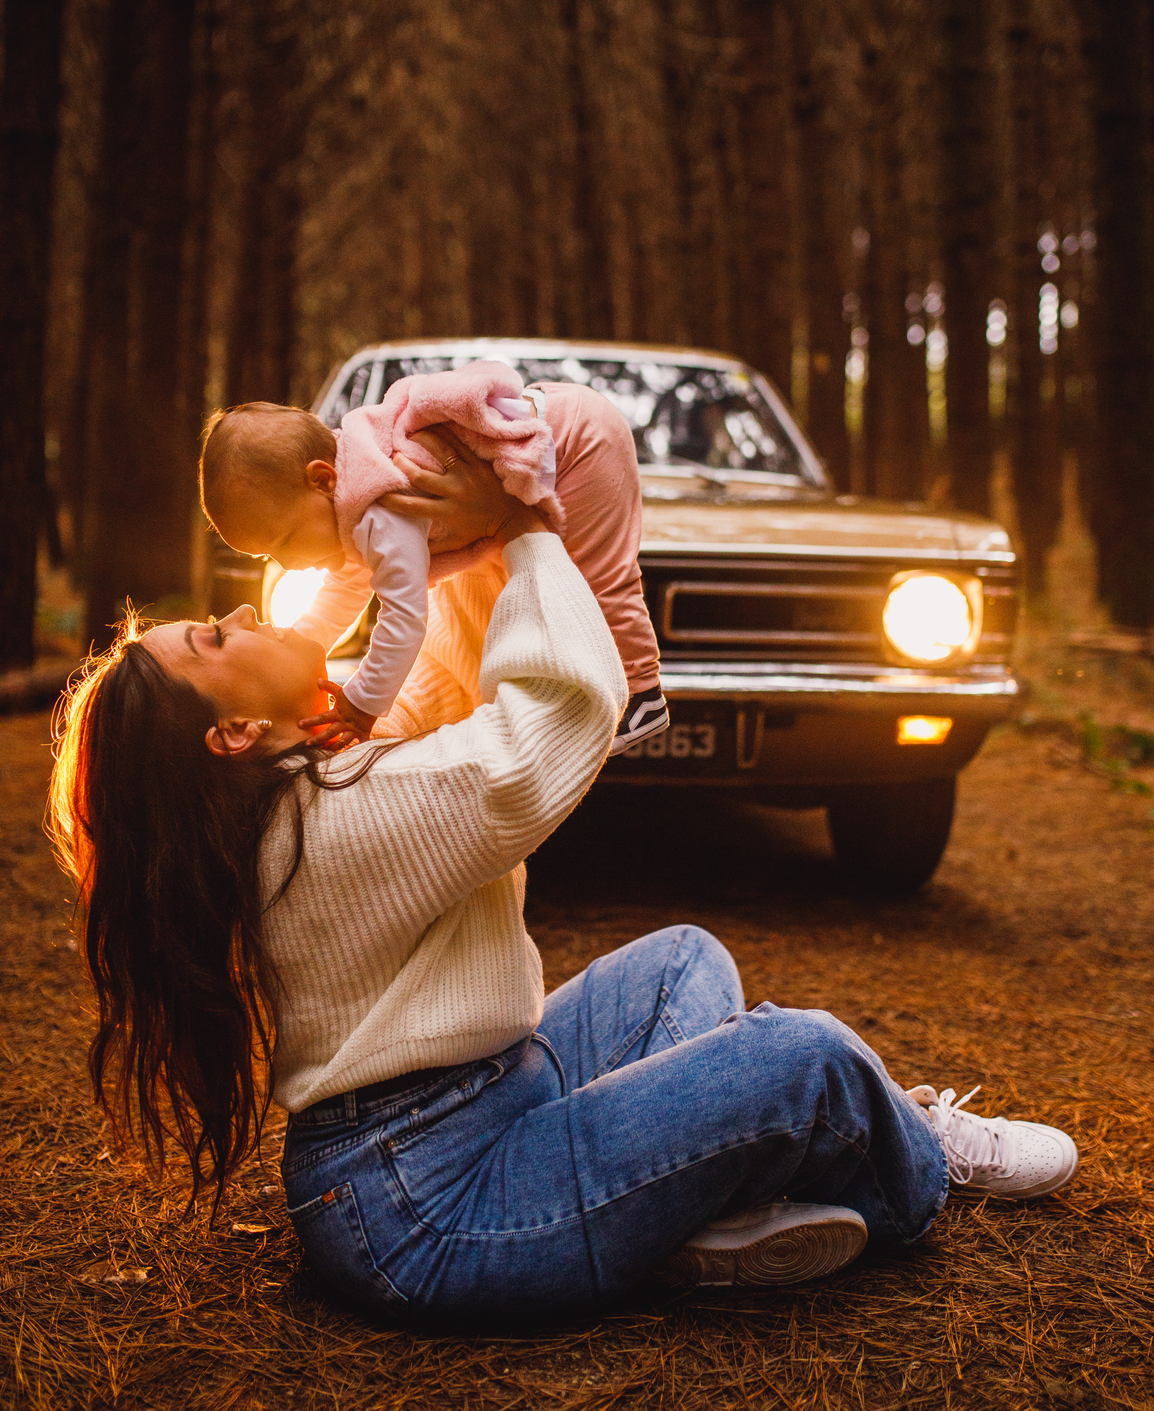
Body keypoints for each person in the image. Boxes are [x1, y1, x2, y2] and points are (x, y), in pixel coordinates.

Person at [48, 447, 1078, 1328]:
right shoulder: (333, 820)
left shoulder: (304, 790)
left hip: (486, 1099)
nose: (237, 610)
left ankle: (676, 1218)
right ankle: (916, 1160)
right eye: (215, 639)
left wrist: (450, 535)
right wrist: (530, 529)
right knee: (806, 1061)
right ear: (234, 733)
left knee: (681, 966)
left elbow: (445, 690)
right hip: (428, 1206)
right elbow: (545, 729)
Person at [198, 362, 669, 754]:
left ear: (322, 480)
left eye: (284, 541)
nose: (286, 563)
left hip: (576, 442)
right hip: (555, 415)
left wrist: (362, 704)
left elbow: (404, 616)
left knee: (598, 580)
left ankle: (641, 694)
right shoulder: (350, 498)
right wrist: (305, 642)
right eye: (269, 556)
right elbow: (347, 587)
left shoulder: (383, 506)